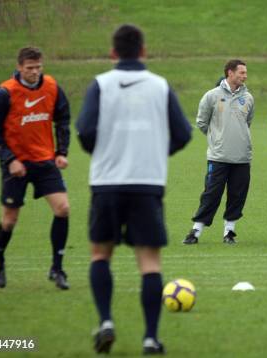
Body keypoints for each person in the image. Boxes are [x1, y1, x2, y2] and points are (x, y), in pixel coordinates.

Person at [76, 24, 192, 355]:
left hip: (106, 183)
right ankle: (150, 338)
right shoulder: (160, 86)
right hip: (147, 183)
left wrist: (105, 152)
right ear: (144, 51)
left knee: (100, 254)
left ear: (113, 53)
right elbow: (183, 134)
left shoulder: (101, 84)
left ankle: (107, 322)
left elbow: (84, 130)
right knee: (150, 263)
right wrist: (156, 152)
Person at [0, 47, 71, 290]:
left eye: (38, 67)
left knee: (63, 209)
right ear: (20, 67)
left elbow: (63, 119)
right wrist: (8, 159)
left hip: (44, 161)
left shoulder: (52, 87)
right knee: (9, 221)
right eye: (30, 68)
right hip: (16, 165)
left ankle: (57, 268)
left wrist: (62, 152)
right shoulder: (6, 92)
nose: (34, 72)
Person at [183, 59, 255, 245]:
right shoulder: (211, 96)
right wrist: (217, 139)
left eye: (245, 73)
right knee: (211, 194)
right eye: (242, 73)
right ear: (230, 73)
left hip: (242, 157)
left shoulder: (248, 97)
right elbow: (201, 122)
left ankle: (229, 232)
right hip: (218, 156)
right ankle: (196, 232)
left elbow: (247, 122)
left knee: (237, 195)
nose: (245, 76)